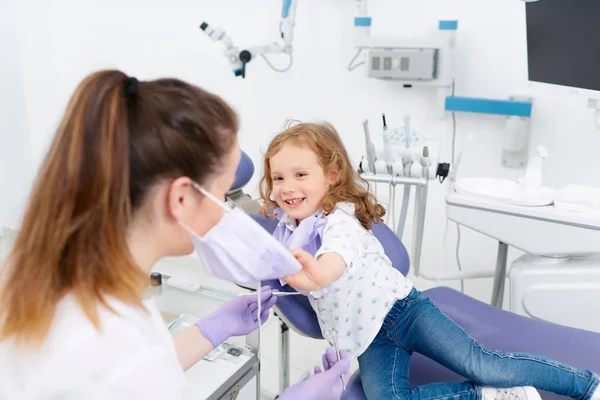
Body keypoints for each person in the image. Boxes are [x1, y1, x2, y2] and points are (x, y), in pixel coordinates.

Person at [0, 71, 350, 400]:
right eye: (224, 193)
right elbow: (134, 368)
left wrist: (213, 328)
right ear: (181, 198)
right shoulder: (113, 340)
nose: (228, 212)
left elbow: (141, 367)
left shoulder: (34, 271)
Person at [258, 121, 600, 400]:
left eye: (300, 175)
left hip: (405, 312)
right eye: (279, 178)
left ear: (332, 174)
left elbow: (338, 255)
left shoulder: (340, 219)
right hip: (368, 338)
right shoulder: (287, 229)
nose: (288, 187)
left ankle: (587, 385)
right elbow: (270, 261)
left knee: (483, 365)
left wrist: (318, 276)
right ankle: (489, 397)